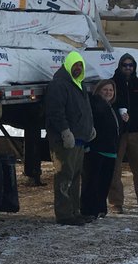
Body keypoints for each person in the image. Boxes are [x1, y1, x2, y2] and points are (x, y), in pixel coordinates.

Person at [45, 51, 95, 226]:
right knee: (64, 176)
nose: (78, 68)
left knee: (75, 176)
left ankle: (75, 211)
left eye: (80, 65)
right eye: (75, 65)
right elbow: (55, 111)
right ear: (68, 65)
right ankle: (64, 214)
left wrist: (90, 127)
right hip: (65, 141)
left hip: (79, 139)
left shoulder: (79, 84)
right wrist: (64, 131)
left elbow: (86, 110)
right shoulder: (59, 85)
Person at [108, 53, 138, 215]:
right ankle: (116, 203)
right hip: (117, 134)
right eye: (125, 65)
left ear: (134, 67)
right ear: (120, 66)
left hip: (137, 134)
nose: (128, 68)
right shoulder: (112, 85)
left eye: (130, 65)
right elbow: (105, 107)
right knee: (114, 171)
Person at [81, 78, 120, 221]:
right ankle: (88, 210)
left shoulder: (111, 107)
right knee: (91, 181)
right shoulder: (94, 105)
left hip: (110, 150)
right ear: (98, 90)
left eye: (110, 90)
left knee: (104, 182)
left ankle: (100, 208)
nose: (108, 92)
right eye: (105, 90)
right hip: (96, 149)